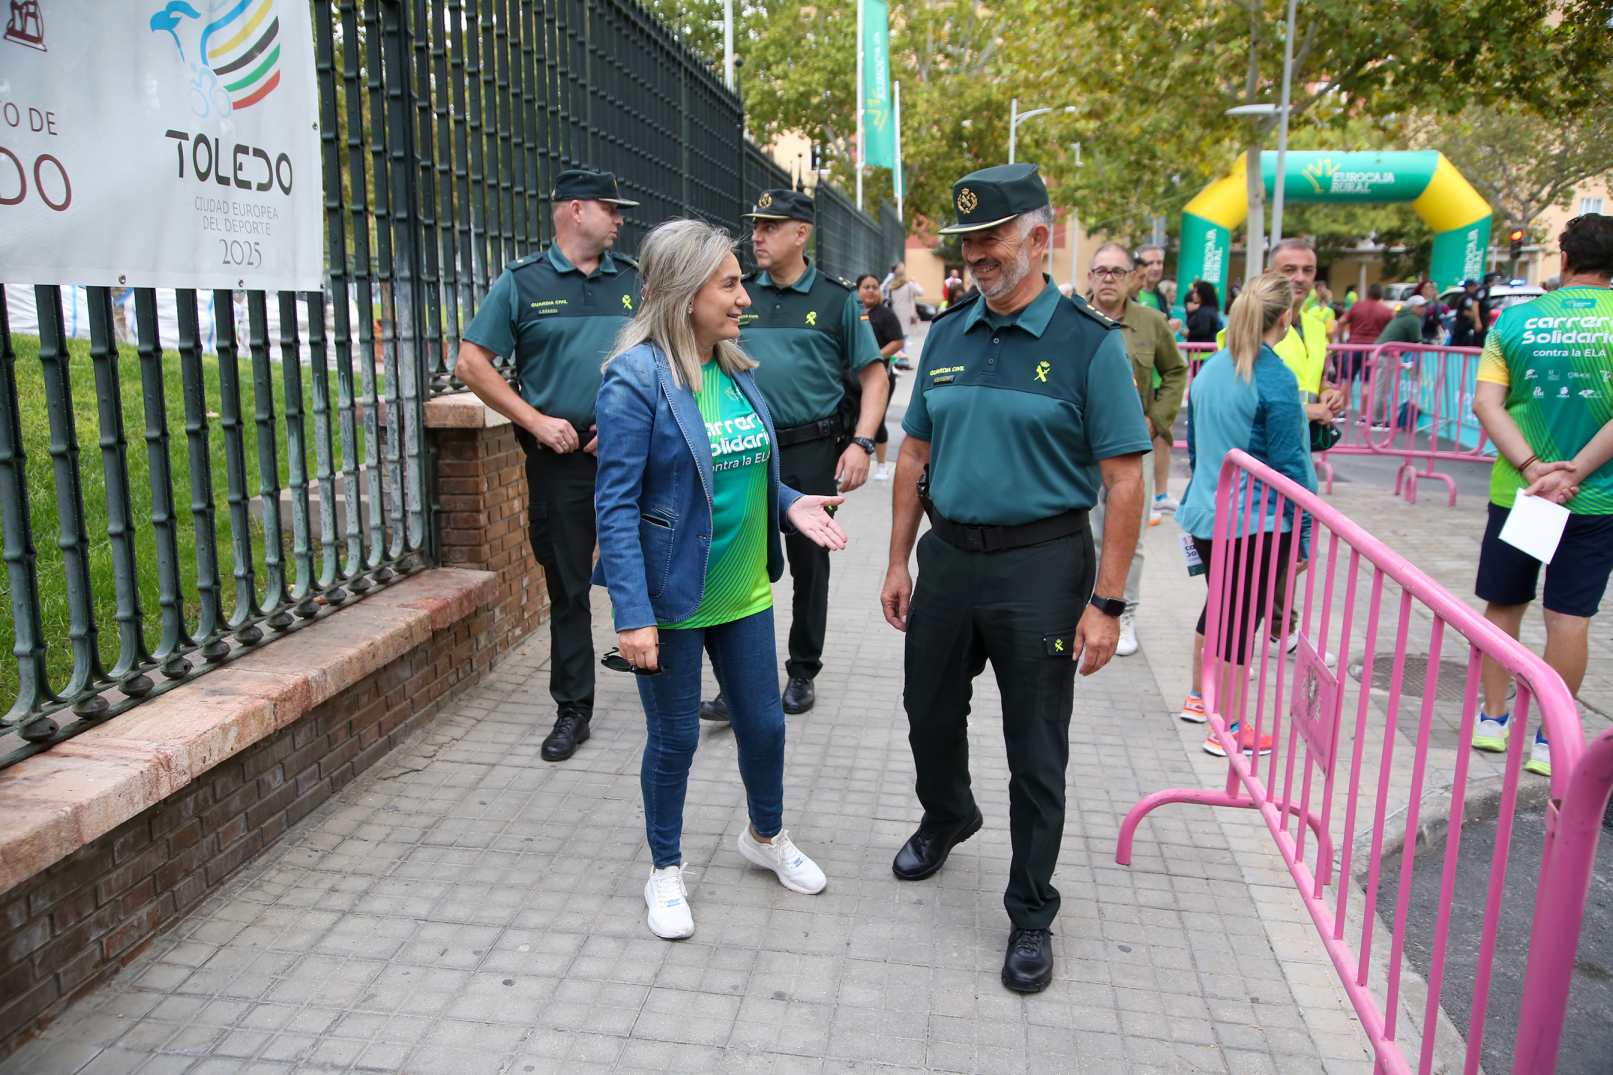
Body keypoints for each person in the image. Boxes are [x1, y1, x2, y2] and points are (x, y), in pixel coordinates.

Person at [880, 163, 1150, 994]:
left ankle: (1031, 909)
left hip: (1042, 564)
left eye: (992, 240)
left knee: (1034, 747)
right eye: (967, 244)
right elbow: (915, 455)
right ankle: (948, 813)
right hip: (949, 556)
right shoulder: (951, 334)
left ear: (1038, 238)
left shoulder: (1086, 344)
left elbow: (1124, 481)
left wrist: (1106, 602)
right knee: (926, 707)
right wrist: (897, 557)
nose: (976, 257)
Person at [592, 219, 850, 939]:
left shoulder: (733, 367)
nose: (743, 296)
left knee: (764, 727)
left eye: (740, 280)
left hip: (743, 591)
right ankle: (665, 869)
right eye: (729, 283)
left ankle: (764, 837)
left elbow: (739, 467)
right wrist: (631, 614)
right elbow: (613, 506)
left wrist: (791, 501)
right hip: (671, 599)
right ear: (683, 292)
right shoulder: (635, 379)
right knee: (673, 739)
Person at [453, 167, 641, 763]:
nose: (620, 219)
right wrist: (534, 421)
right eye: (611, 208)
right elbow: (471, 363)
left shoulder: (637, 282)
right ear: (575, 210)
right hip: (560, 462)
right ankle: (573, 709)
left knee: (662, 571)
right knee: (568, 585)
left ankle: (674, 686)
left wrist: (624, 427)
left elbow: (670, 358)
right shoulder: (523, 283)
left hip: (633, 457)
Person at [698, 189, 887, 721]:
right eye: (755, 225)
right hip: (744, 448)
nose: (757, 235)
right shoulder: (737, 292)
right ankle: (736, 683)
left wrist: (862, 442)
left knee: (810, 564)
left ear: (801, 233)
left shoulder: (835, 299)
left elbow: (875, 376)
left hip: (810, 449)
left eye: (771, 226)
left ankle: (802, 670)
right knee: (734, 559)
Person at [1469, 213, 1613, 779]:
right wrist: (1572, 472)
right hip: (1594, 498)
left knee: (1505, 604)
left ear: (1565, 258)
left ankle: (1493, 718)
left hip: (1522, 493)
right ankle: (1552, 739)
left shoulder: (1514, 321)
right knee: (1569, 617)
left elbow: (1487, 403)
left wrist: (1535, 467)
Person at [1176, 273, 1316, 755]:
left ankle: (1200, 699)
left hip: (1209, 513)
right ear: (1286, 317)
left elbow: (1195, 448)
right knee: (1240, 622)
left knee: (1220, 609)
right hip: (1256, 522)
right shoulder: (1274, 377)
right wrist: (1304, 535)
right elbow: (1291, 466)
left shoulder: (1212, 370)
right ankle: (1229, 728)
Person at [1086, 242, 1188, 656]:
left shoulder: (1150, 323)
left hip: (1133, 449)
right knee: (1084, 533)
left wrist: (1155, 420)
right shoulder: (1071, 319)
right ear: (1090, 276)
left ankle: (1122, 611)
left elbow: (1176, 371)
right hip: (1082, 448)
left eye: (1117, 271)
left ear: (1131, 278)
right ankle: (1084, 604)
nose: (1108, 278)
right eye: (1101, 271)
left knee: (1130, 535)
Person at [857, 273, 905, 480]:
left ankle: (882, 465)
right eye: (866, 287)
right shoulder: (853, 312)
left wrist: (875, 356)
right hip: (853, 376)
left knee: (878, 418)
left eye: (874, 287)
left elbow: (897, 342)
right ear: (857, 290)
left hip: (880, 376)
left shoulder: (885, 314)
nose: (870, 290)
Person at [1338, 282, 1395, 348]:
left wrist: (1341, 342)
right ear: (1381, 295)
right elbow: (1394, 328)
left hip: (1354, 348)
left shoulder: (1356, 307)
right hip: (1376, 349)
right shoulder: (1386, 311)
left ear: (1367, 294)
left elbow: (1341, 322)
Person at [1133, 244, 1169, 312]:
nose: (1156, 268)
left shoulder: (1161, 297)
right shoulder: (1129, 295)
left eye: (1159, 263)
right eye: (1150, 263)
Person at [1450, 278, 1484, 348]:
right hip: (1462, 328)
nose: (1475, 288)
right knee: (1459, 347)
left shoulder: (1470, 297)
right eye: (1474, 286)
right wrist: (1477, 318)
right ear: (1469, 287)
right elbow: (1466, 312)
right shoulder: (1467, 298)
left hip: (1465, 328)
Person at [1417, 279, 1446, 344]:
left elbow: (1441, 321)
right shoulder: (1417, 304)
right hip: (1421, 340)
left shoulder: (1438, 304)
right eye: (1428, 288)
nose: (1431, 290)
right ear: (1422, 290)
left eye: (1432, 288)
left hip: (1432, 340)